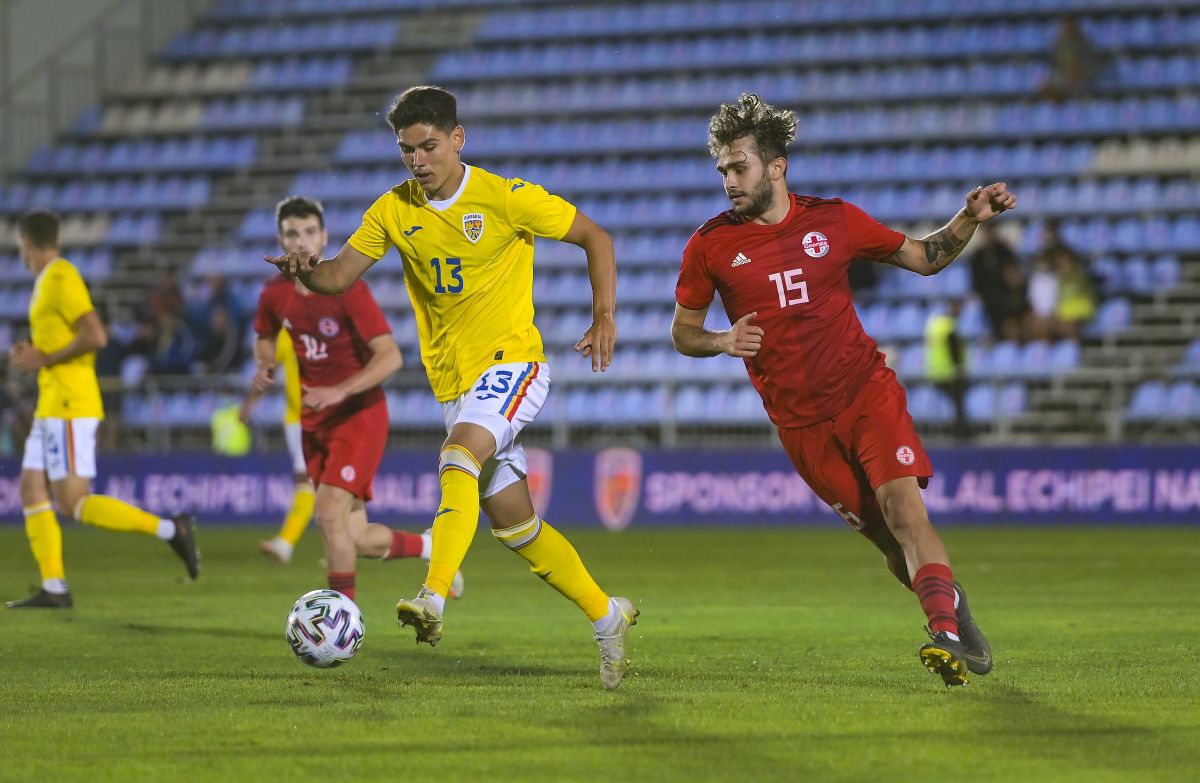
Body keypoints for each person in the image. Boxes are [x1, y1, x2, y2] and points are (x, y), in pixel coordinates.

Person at [266, 86, 637, 690]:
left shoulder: (505, 197)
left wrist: (604, 316)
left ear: (457, 139)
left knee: (457, 456)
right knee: (517, 528)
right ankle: (607, 616)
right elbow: (337, 275)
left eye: (429, 146)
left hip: (513, 365)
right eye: (407, 149)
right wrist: (306, 271)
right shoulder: (394, 209)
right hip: (455, 386)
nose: (417, 159)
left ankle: (433, 597)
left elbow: (598, 238)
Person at [672, 95, 1015, 686]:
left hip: (865, 393)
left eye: (740, 168)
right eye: (723, 171)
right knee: (891, 544)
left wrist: (968, 220)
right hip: (801, 427)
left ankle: (944, 635)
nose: (729, 181)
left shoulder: (834, 221)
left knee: (905, 509)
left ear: (776, 165)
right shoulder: (710, 246)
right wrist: (721, 341)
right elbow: (683, 333)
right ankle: (951, 603)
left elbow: (923, 258)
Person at [252, 195, 461, 600]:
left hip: (357, 416)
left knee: (327, 512)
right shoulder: (275, 294)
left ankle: (340, 621)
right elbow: (264, 336)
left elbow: (391, 356)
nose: (302, 241)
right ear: (280, 239)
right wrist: (265, 363)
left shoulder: (349, 291)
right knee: (356, 536)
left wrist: (339, 390)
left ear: (325, 237)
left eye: (310, 232)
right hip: (316, 423)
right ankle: (432, 548)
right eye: (292, 233)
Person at [6, 209, 200, 609]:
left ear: (26, 241)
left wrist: (46, 358)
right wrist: (37, 355)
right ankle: (55, 587)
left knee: (73, 502)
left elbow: (96, 334)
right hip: (51, 403)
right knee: (30, 488)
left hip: (69, 403)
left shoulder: (60, 276)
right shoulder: (46, 281)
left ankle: (171, 529)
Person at [924, 299, 969, 442]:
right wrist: (960, 367)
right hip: (949, 373)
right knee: (958, 404)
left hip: (935, 372)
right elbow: (954, 349)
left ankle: (954, 432)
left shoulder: (935, 324)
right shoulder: (949, 326)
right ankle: (960, 434)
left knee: (953, 404)